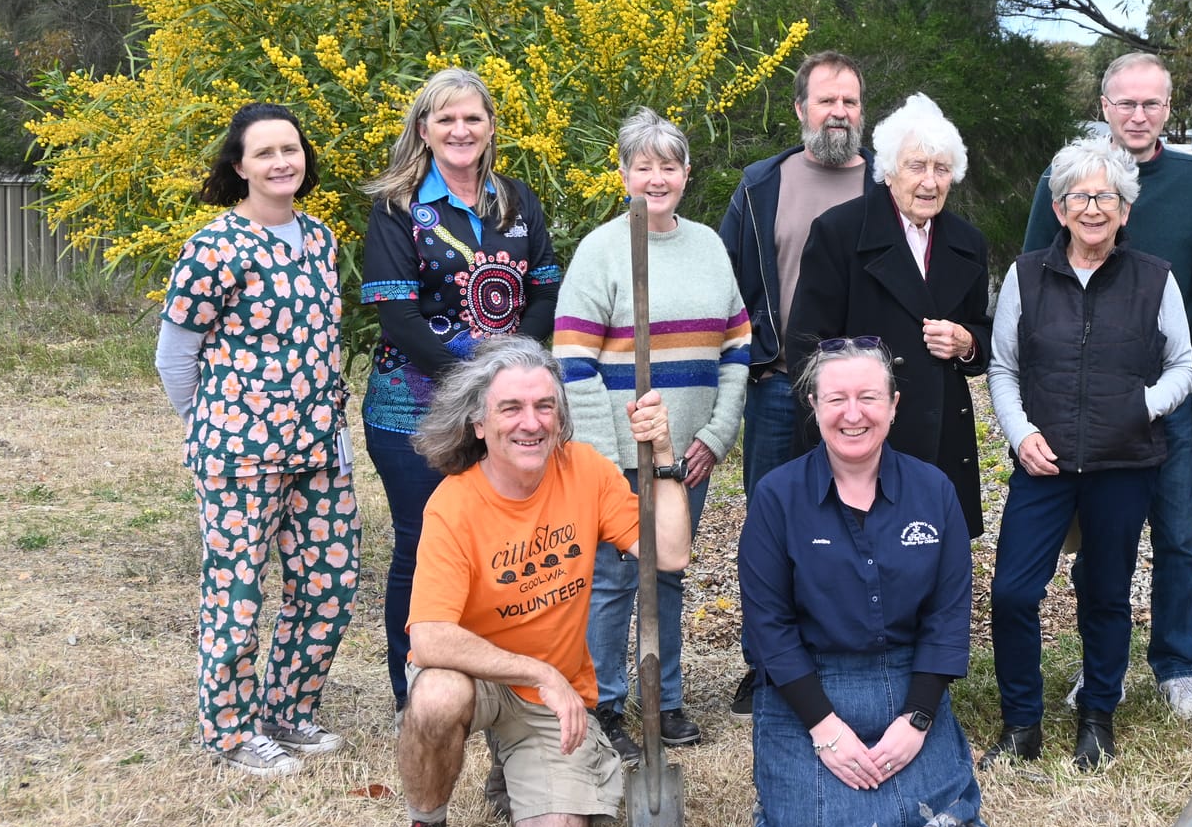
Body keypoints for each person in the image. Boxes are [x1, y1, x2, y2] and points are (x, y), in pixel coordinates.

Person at [371, 337, 692, 827]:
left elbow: (669, 553)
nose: (531, 422)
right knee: (437, 694)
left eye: (545, 406)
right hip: (484, 676)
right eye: (512, 408)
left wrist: (665, 454)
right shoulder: (453, 505)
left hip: (549, 698)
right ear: (479, 423)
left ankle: (513, 771)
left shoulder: (585, 472)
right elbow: (430, 639)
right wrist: (540, 672)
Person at [738, 339, 986, 827]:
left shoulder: (934, 491)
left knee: (942, 820)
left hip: (905, 680)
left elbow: (948, 617)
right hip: (809, 688)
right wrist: (825, 730)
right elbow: (768, 628)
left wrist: (917, 720)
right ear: (814, 406)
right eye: (836, 399)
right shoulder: (776, 497)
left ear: (894, 405)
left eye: (869, 397)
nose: (853, 414)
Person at [155, 103, 357, 776]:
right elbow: (174, 357)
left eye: (290, 149)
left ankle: (286, 711)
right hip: (239, 456)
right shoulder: (214, 247)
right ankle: (231, 732)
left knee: (329, 585)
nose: (280, 162)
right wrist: (215, 424)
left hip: (319, 449)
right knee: (237, 596)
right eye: (264, 152)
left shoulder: (320, 239)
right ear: (239, 166)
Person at [986, 137, 1192, 770]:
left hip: (1122, 463)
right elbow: (1003, 368)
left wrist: (1141, 408)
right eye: (1079, 197)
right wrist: (1020, 434)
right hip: (1043, 463)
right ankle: (1021, 723)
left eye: (1107, 197)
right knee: (1013, 592)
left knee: (1106, 593)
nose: (1093, 208)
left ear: (1126, 210)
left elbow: (1183, 366)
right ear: (1059, 208)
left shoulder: (1154, 278)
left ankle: (1097, 716)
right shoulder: (1026, 275)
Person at [1023, 52, 1192, 718]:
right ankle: (1099, 663)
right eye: (1126, 102)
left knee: (1177, 537)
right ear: (1104, 106)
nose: (1138, 115)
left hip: (1169, 391)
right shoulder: (1068, 177)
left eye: (1151, 103)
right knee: (1102, 542)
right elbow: (1035, 275)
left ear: (1168, 108)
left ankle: (1176, 663)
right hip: (1087, 398)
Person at [360, 67, 561, 711]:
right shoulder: (396, 208)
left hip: (507, 412)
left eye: (473, 117)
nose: (460, 129)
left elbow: (545, 293)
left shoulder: (517, 201)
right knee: (422, 546)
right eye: (445, 118)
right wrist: (482, 382)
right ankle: (416, 695)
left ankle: (498, 689)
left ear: (491, 126)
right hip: (413, 411)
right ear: (424, 129)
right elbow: (398, 317)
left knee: (500, 548)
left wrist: (506, 376)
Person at [555, 108, 749, 754]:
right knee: (614, 580)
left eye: (669, 165)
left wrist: (716, 434)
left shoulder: (709, 247)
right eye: (644, 166)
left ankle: (663, 701)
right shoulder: (601, 251)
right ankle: (605, 705)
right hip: (619, 456)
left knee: (667, 573)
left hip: (686, 455)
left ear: (687, 173)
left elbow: (737, 347)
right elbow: (573, 362)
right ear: (623, 175)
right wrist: (607, 457)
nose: (657, 178)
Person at [719, 50, 875, 716]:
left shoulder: (889, 182)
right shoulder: (762, 184)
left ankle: (848, 656)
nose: (839, 112)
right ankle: (766, 666)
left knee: (860, 524)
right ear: (800, 109)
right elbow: (728, 279)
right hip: (780, 386)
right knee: (772, 528)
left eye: (850, 101)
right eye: (826, 100)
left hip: (863, 396)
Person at [787, 92, 992, 536]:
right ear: (889, 170)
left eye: (941, 169)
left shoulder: (968, 242)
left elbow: (982, 331)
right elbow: (807, 344)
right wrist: (838, 423)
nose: (930, 182)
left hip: (941, 438)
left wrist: (967, 342)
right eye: (917, 166)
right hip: (861, 431)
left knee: (933, 551)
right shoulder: (840, 232)